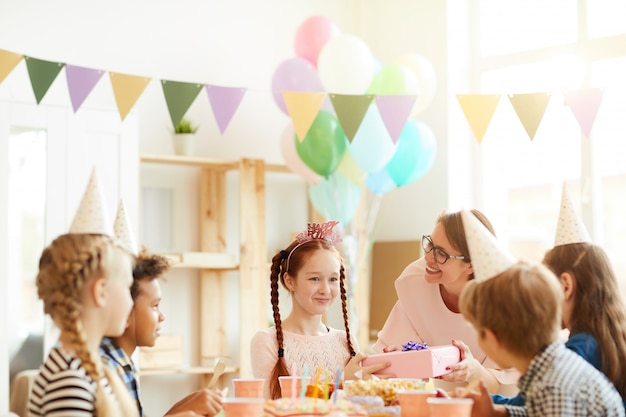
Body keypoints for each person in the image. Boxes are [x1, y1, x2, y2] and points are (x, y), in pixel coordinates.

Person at [492, 185, 626, 409]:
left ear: (565, 285)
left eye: (545, 286)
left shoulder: (578, 352)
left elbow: (528, 406)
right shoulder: (608, 339)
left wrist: (469, 401)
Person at [28, 170, 140, 416]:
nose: (132, 302)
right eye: (127, 288)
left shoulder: (85, 370)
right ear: (101, 292)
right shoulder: (70, 381)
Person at [372, 210, 518, 394]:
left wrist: (473, 370)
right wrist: (398, 363)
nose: (428, 258)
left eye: (441, 254)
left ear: (471, 265)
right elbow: (388, 363)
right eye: (430, 245)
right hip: (448, 401)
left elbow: (496, 383)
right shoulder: (415, 284)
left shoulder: (504, 303)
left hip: (504, 402)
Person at [101, 201, 224, 417]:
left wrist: (185, 405)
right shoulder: (105, 370)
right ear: (125, 307)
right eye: (155, 305)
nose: (162, 316)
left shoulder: (123, 363)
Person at [460, 260, 625, 417]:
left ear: (491, 338)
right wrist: (495, 412)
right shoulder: (551, 367)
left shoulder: (552, 386)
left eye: (478, 332)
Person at [250, 221, 389, 399]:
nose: (325, 289)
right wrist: (344, 387)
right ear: (289, 281)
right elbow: (272, 410)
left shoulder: (346, 341)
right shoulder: (267, 342)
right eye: (315, 278)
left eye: (333, 279)